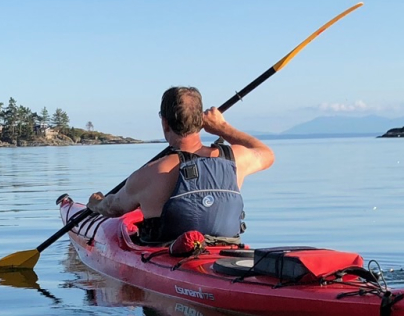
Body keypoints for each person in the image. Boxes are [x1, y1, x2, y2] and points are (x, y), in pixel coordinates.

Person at [82, 86, 274, 241]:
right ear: (202, 122)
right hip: (226, 257)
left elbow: (113, 208)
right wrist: (223, 128)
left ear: (165, 123)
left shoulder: (153, 173)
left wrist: (94, 203)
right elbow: (267, 155)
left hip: (169, 261)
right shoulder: (235, 158)